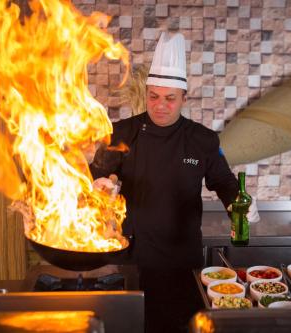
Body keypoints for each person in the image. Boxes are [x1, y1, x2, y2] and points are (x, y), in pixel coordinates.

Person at [90, 32, 253, 333]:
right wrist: (102, 183)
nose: (160, 105)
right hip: (130, 258)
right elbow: (98, 172)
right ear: (147, 92)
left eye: (169, 99)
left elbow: (223, 181)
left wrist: (237, 203)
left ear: (183, 98)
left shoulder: (202, 139)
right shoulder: (123, 132)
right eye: (154, 96)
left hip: (181, 260)